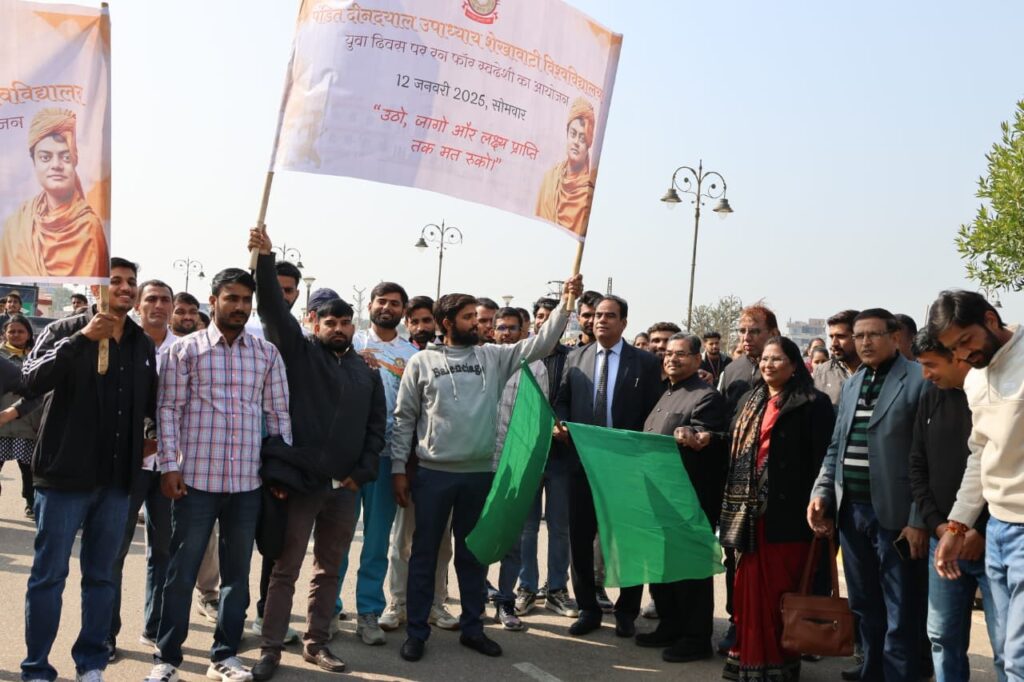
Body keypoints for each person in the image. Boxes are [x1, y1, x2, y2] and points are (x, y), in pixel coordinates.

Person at [390, 274, 583, 662]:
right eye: (467, 318)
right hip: (433, 475)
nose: (477, 324)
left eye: (476, 318)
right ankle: (416, 632)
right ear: (447, 323)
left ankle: (473, 627)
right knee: (424, 554)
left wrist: (567, 303)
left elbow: (542, 343)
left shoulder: (493, 357)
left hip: (480, 475)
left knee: (473, 555)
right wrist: (398, 469)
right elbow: (404, 419)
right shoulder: (421, 363)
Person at [246, 229, 385, 679]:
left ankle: (316, 643)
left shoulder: (368, 375)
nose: (339, 329)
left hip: (344, 490)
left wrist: (358, 476)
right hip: (302, 484)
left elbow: (375, 431)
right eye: (331, 322)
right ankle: (270, 648)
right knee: (285, 569)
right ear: (313, 323)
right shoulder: (300, 355)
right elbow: (270, 308)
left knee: (329, 571)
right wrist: (265, 260)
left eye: (346, 322)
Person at [146, 268, 292, 682]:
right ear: (214, 302)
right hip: (194, 481)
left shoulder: (266, 354)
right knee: (181, 571)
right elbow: (168, 410)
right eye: (232, 299)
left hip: (247, 484)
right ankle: (167, 657)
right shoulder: (185, 352)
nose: (240, 307)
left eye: (246, 300)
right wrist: (169, 466)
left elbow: (278, 415)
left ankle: (225, 655)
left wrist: (280, 472)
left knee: (236, 575)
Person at [21, 257, 157, 682]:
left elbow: (148, 410)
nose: (124, 288)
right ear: (97, 288)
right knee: (49, 576)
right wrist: (82, 338)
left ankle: (92, 663)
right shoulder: (64, 330)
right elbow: (31, 380)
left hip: (116, 483)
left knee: (101, 578)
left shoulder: (141, 343)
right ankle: (37, 667)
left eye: (130, 282)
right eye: (115, 281)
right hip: (63, 478)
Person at [807, 308, 931, 681]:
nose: (864, 342)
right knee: (864, 602)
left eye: (873, 335)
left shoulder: (918, 379)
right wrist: (822, 492)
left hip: (896, 515)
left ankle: (900, 674)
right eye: (859, 336)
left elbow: (927, 456)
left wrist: (918, 518)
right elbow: (836, 446)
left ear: (895, 337)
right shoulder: (854, 382)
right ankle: (871, 669)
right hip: (852, 511)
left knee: (901, 606)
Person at [720, 337, 834, 681]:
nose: (769, 365)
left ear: (794, 364)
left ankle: (779, 662)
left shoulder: (813, 403)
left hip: (788, 515)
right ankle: (748, 658)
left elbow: (823, 458)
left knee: (779, 594)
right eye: (765, 360)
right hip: (746, 515)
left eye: (777, 359)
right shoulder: (747, 400)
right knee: (744, 591)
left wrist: (824, 506)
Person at [554, 294, 663, 638]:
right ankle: (587, 608)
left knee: (627, 541)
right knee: (581, 539)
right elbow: (562, 401)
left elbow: (655, 412)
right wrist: (560, 422)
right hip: (583, 465)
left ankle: (627, 611)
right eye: (597, 315)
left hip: (627, 467)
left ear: (624, 323)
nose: (601, 320)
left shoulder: (644, 363)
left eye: (609, 316)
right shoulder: (576, 358)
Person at [930, 290, 1022, 680]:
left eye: (966, 341)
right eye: (954, 349)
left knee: (1019, 658)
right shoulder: (975, 380)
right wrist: (956, 525)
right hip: (999, 527)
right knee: (1004, 651)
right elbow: (979, 456)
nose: (964, 356)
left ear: (989, 319)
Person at [908, 328, 1003, 682]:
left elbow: (1005, 468)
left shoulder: (992, 396)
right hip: (943, 541)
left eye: (932, 364)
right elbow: (917, 465)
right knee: (942, 636)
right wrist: (941, 527)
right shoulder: (930, 397)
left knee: (1006, 645)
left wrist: (977, 529)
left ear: (956, 357)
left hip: (989, 540)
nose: (927, 374)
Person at [636, 333, 729, 662]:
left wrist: (693, 436)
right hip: (657, 497)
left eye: (680, 355)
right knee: (661, 569)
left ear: (697, 358)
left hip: (688, 498)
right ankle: (670, 625)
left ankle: (696, 637)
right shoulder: (667, 393)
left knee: (689, 570)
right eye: (668, 354)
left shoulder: (705, 397)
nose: (672, 359)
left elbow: (708, 438)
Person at [334, 281, 416, 647]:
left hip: (385, 459)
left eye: (395, 303)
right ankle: (328, 608)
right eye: (381, 301)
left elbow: (411, 414)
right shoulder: (349, 343)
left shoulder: (411, 355)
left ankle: (368, 611)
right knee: (336, 537)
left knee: (377, 541)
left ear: (403, 310)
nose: (387, 307)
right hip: (347, 458)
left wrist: (400, 465)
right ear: (369, 305)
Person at [378, 294, 458, 634]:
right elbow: (403, 418)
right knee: (403, 540)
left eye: (429, 321)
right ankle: (397, 602)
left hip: (442, 465)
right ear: (407, 324)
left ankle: (436, 603)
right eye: (416, 322)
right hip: (409, 463)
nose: (423, 327)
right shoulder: (406, 360)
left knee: (441, 541)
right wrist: (400, 468)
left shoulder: (447, 360)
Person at [108, 280, 178, 658]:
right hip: (125, 466)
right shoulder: (124, 344)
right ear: (137, 304)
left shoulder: (185, 350)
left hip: (169, 465)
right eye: (150, 298)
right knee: (114, 551)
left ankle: (155, 627)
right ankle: (106, 633)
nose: (158, 305)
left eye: (165, 299)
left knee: (164, 551)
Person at [716, 303, 779, 653]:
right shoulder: (733, 370)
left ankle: (770, 629)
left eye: (754, 331)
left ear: (772, 333)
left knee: (769, 563)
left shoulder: (788, 368)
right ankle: (736, 622)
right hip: (735, 486)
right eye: (742, 331)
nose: (747, 338)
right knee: (734, 559)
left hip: (773, 488)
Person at [0, 108, 109, 278]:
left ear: (75, 161)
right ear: (33, 161)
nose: (56, 165)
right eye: (45, 157)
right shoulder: (17, 224)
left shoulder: (88, 226)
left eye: (66, 157)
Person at [0, 314, 42, 519]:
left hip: (26, 425)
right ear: (4, 334)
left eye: (20, 331)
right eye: (11, 331)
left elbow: (37, 395)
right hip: (1, 428)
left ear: (28, 334)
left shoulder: (37, 357)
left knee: (28, 469)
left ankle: (31, 502)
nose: (16, 335)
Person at [535, 98, 597, 235]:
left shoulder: (589, 195)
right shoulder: (549, 180)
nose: (576, 142)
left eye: (582, 138)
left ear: (588, 144)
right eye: (573, 134)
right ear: (567, 134)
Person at [813, 310, 861, 409]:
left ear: (858, 336)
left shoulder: (877, 370)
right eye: (831, 337)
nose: (834, 343)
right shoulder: (822, 373)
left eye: (840, 336)